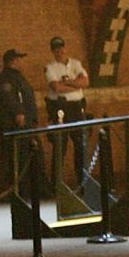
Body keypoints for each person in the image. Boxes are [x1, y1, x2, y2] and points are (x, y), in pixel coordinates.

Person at [0, 49, 40, 199]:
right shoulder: (4, 79)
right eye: (18, 60)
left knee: (30, 157)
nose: (20, 63)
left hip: (27, 125)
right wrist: (19, 114)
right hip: (16, 127)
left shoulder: (18, 77)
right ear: (12, 61)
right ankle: (20, 192)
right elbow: (9, 99)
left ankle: (32, 189)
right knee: (19, 159)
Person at [43, 35, 91, 187]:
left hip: (77, 107)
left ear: (65, 48)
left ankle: (82, 181)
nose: (59, 52)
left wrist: (67, 82)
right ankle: (56, 184)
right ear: (52, 51)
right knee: (60, 145)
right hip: (60, 108)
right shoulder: (50, 67)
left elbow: (86, 82)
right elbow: (56, 88)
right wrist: (76, 84)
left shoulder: (75, 64)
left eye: (61, 48)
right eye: (56, 50)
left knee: (80, 144)